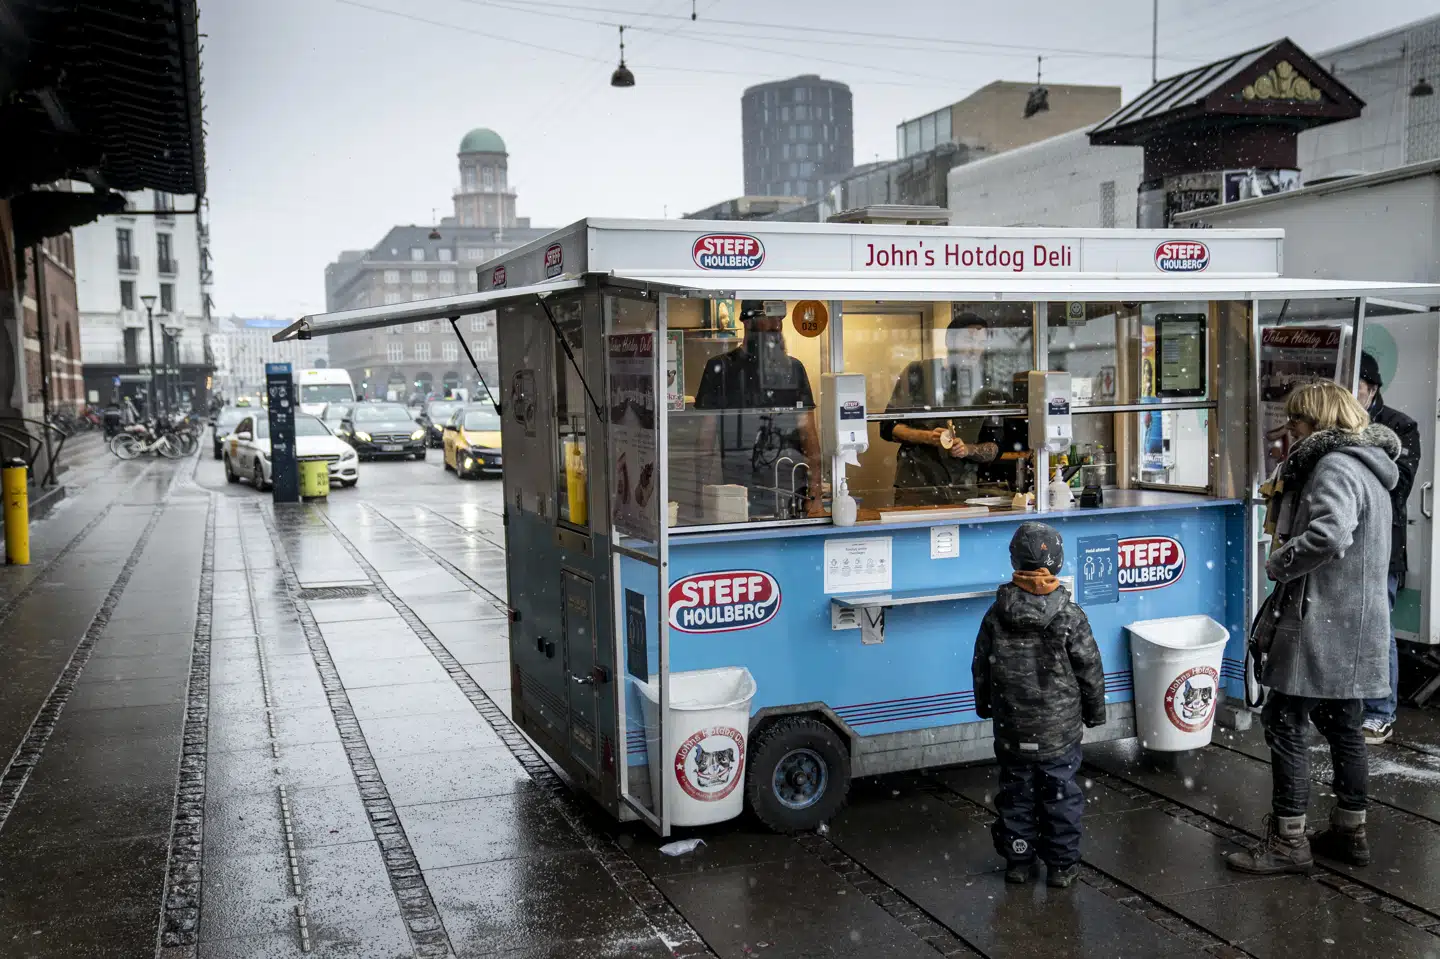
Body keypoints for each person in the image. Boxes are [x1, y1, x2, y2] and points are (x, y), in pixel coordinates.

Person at [1227, 380, 1399, 875]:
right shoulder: (1371, 469)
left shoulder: (1334, 466)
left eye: (1298, 421)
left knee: (1285, 723)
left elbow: (1329, 534)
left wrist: (1280, 562)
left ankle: (1289, 841)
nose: (1290, 430)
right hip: (1358, 621)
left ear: (1321, 422)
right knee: (1344, 725)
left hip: (1319, 619)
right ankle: (1350, 832)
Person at [972, 522, 1106, 889]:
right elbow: (1089, 669)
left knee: (1016, 793)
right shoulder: (1069, 615)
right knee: (1060, 795)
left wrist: (985, 706)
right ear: (1057, 562)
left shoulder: (996, 613)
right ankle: (1061, 867)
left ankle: (1018, 861)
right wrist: (1096, 712)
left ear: (1015, 559)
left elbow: (981, 664)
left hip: (1013, 726)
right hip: (1058, 732)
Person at [693, 301, 822, 520]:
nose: (777, 326)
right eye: (770, 321)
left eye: (779, 321)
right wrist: (700, 496)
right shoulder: (721, 368)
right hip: (738, 495)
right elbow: (705, 440)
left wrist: (816, 496)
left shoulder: (794, 369)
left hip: (791, 492)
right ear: (748, 322)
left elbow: (809, 436)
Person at [1356, 352, 1420, 744]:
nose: (1351, 397)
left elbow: (1399, 486)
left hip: (1384, 546)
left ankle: (1380, 711)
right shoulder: (1338, 422)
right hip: (1347, 544)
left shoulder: (1399, 426)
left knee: (1378, 628)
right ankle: (1347, 704)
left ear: (1372, 388)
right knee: (1346, 626)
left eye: (1357, 389)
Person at [881, 311, 1001, 506]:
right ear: (949, 340)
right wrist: (927, 437)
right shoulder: (918, 372)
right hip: (917, 486)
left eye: (980, 343)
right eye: (968, 341)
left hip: (963, 491)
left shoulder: (988, 388)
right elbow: (888, 428)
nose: (974, 349)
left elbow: (996, 445)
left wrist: (968, 450)